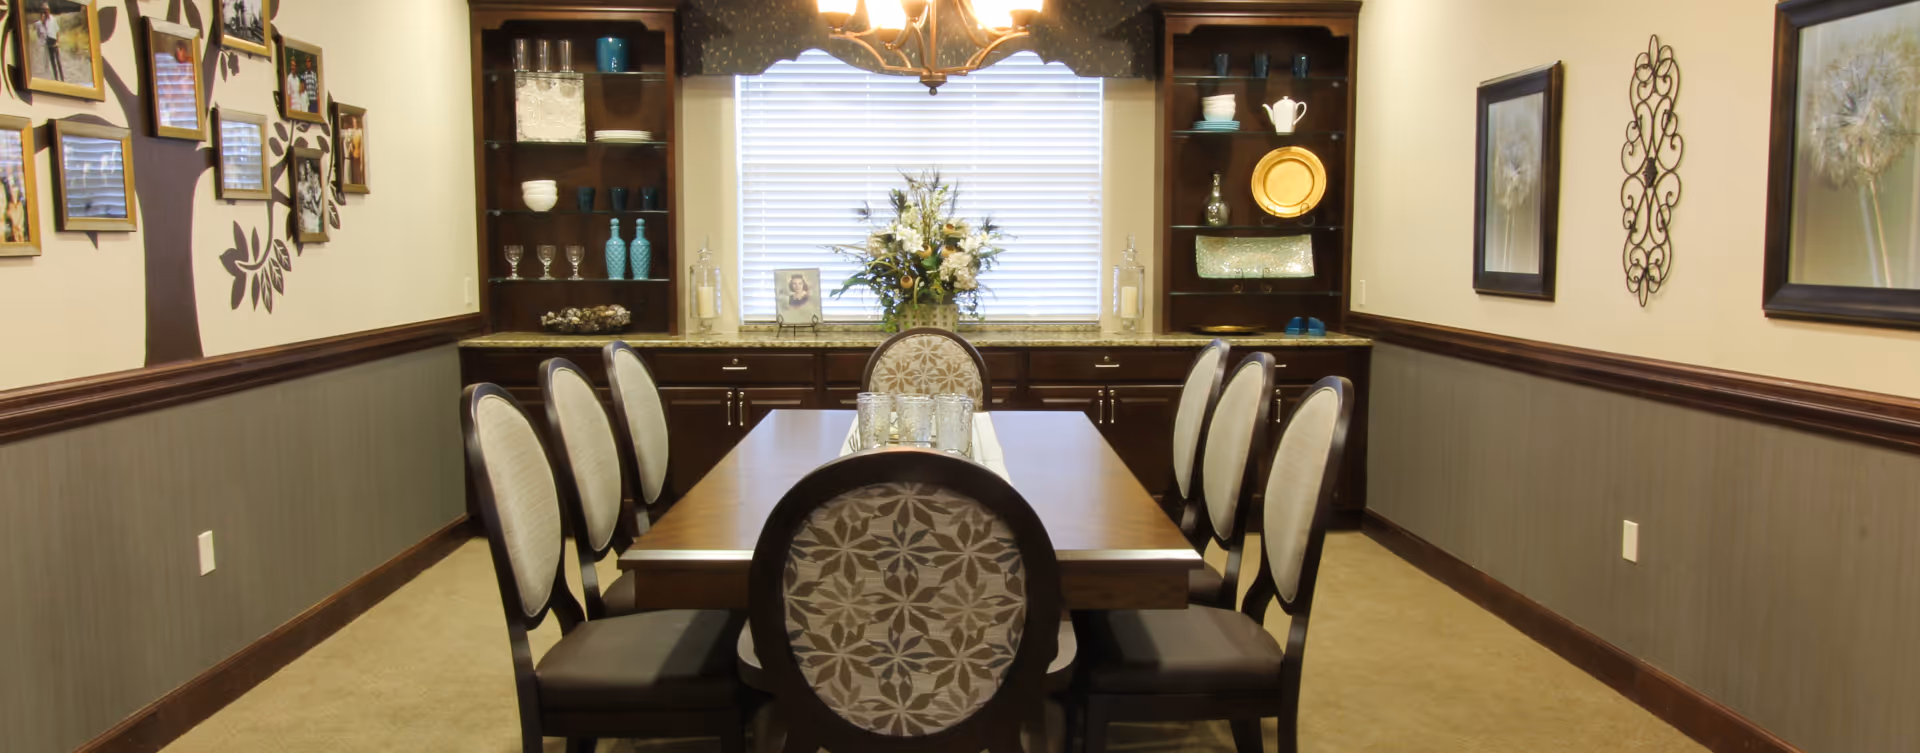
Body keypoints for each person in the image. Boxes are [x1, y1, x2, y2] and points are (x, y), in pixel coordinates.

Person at [37, 6, 64, 83]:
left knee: (58, 60)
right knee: (52, 61)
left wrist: (57, 42)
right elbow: (42, 31)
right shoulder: (44, 21)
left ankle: (62, 78)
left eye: (46, 11)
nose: (46, 13)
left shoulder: (53, 19)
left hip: (54, 40)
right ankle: (56, 78)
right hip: (48, 41)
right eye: (44, 11)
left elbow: (57, 30)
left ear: (48, 11)